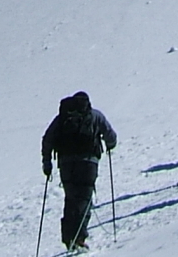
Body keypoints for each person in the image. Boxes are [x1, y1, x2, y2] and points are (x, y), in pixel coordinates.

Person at [42, 91, 118, 251]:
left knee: (71, 199)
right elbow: (110, 135)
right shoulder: (95, 115)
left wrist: (47, 164)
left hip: (66, 164)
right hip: (88, 163)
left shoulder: (62, 119)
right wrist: (110, 145)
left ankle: (69, 237)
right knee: (84, 199)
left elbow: (47, 139)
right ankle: (79, 239)